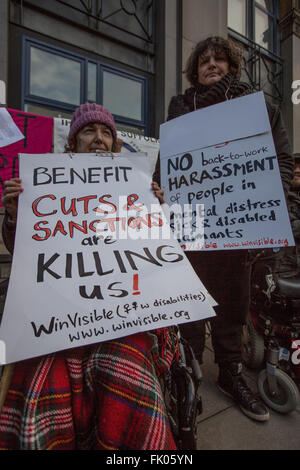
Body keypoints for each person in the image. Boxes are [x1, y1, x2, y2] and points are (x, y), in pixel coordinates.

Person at [0, 102, 177, 450]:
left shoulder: (136, 185)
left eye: (106, 132)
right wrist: (16, 215)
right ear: (73, 143)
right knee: (39, 369)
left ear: (114, 143)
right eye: (88, 131)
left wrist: (158, 215)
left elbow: (155, 255)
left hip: (125, 307)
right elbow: (26, 256)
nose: (98, 138)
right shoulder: (45, 184)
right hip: (60, 307)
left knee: (125, 366)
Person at [153, 36, 294, 422]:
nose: (210, 64)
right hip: (192, 230)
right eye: (203, 60)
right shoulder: (180, 111)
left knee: (232, 306)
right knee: (190, 306)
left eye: (219, 59)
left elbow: (280, 159)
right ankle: (190, 372)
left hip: (239, 228)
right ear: (194, 70)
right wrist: (160, 192)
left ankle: (231, 373)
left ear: (232, 66)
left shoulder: (258, 106)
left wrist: (269, 203)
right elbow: (166, 168)